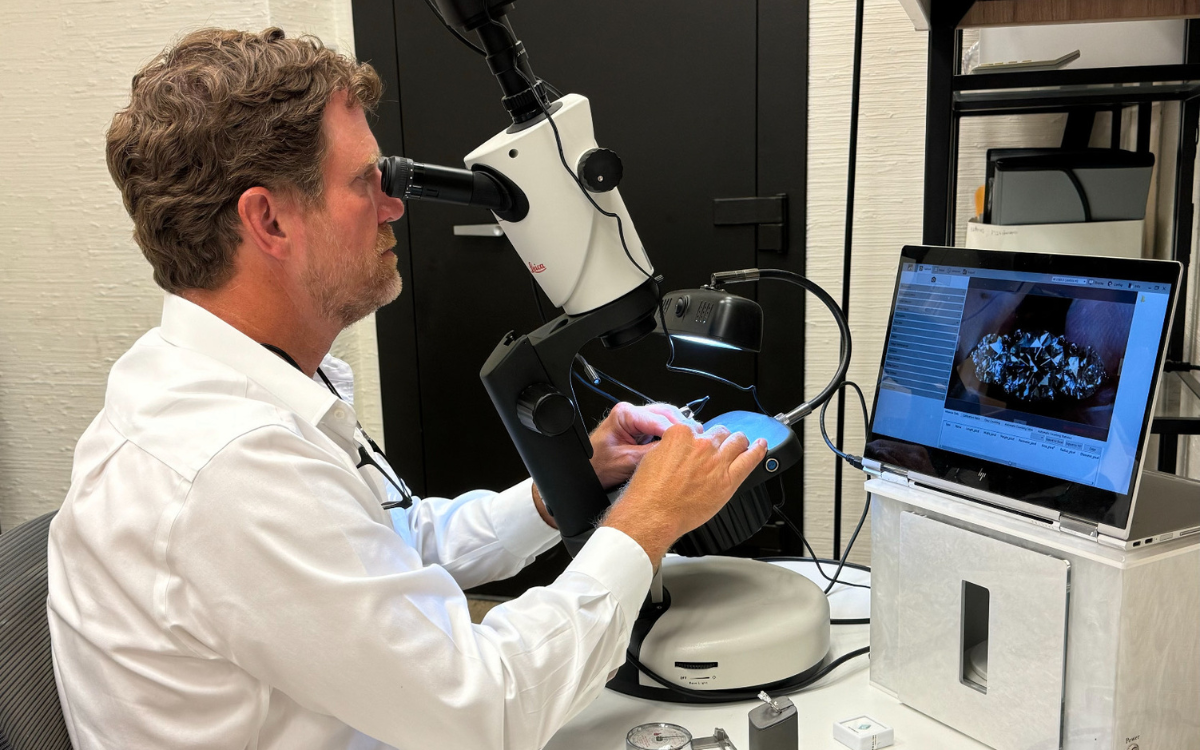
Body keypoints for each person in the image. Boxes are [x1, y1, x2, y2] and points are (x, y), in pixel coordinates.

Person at [46, 27, 767, 750]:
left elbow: (393, 545)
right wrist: (646, 521)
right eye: (365, 182)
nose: (393, 207)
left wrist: (561, 490)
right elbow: (487, 708)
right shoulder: (230, 466)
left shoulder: (238, 377)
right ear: (268, 220)